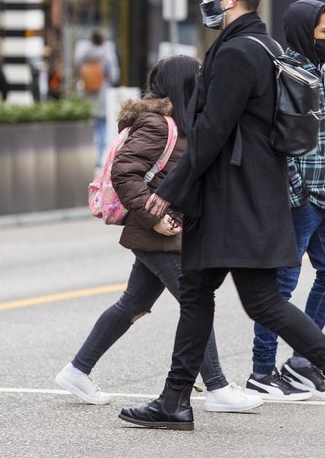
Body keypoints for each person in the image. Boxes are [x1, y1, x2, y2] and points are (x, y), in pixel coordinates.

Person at [118, 0, 325, 439]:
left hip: (234, 200)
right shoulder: (257, 46)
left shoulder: (241, 52)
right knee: (198, 292)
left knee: (262, 302)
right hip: (239, 196)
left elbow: (212, 131)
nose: (206, 0)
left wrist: (170, 193)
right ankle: (174, 400)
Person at [55, 54, 262, 414]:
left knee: (133, 303)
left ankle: (76, 370)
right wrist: (154, 216)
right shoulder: (157, 124)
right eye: (198, 77)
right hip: (158, 229)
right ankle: (216, 387)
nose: (203, 82)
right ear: (183, 84)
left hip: (167, 227)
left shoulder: (178, 121)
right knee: (195, 302)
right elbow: (124, 173)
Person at [246, 0, 325, 402]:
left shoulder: (315, 71)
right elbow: (278, 141)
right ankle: (261, 373)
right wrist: (295, 192)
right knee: (279, 290)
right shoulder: (289, 74)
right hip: (303, 199)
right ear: (305, 34)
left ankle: (302, 364)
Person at [75, 29, 120, 167]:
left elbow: (77, 69)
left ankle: (85, 156)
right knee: (102, 126)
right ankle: (99, 158)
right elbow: (114, 76)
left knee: (89, 125)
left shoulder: (83, 53)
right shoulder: (108, 54)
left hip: (87, 94)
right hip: (102, 94)